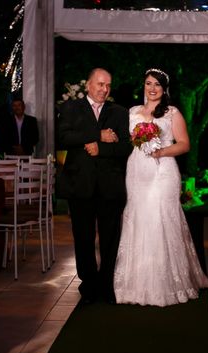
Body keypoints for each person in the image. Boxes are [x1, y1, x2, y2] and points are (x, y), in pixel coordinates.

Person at [113, 68, 208, 306]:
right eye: (149, 83)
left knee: (160, 219)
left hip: (163, 171)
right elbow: (125, 140)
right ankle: (136, 282)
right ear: (144, 85)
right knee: (138, 218)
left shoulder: (172, 113)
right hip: (137, 171)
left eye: (157, 84)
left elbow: (185, 144)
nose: (152, 88)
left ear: (164, 88)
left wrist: (161, 151)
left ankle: (168, 283)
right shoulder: (132, 112)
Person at [56, 67, 133, 304]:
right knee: (83, 236)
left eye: (108, 85)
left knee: (111, 237)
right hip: (80, 184)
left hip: (110, 185)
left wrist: (102, 149)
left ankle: (107, 282)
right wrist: (98, 134)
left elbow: (125, 147)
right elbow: (63, 138)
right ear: (88, 85)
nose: (104, 89)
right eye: (100, 84)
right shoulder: (70, 108)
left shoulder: (119, 112)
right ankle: (88, 283)